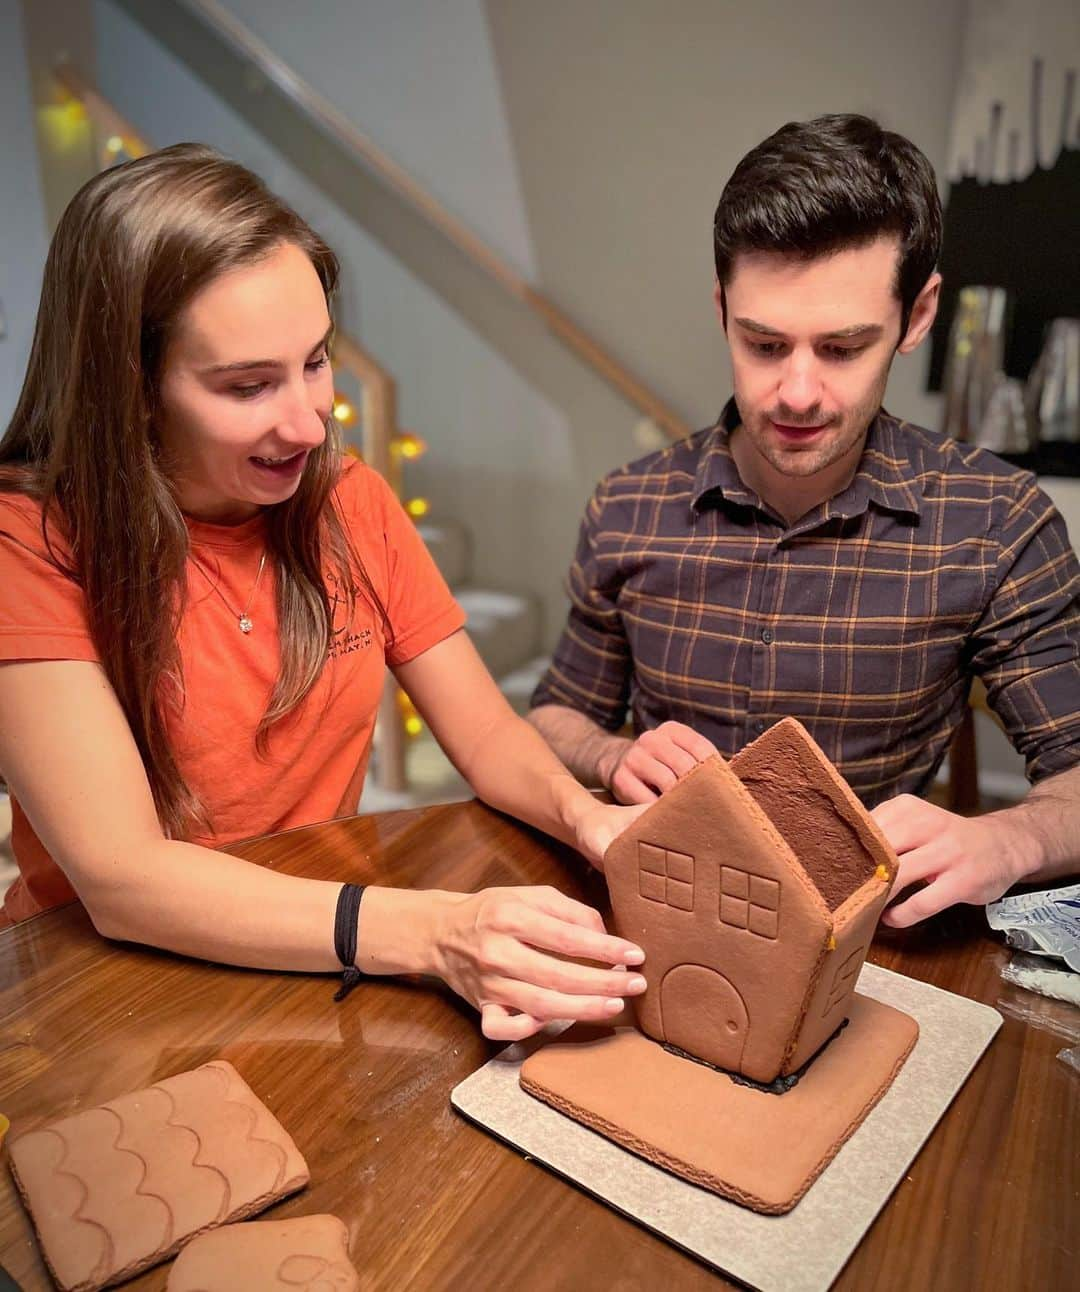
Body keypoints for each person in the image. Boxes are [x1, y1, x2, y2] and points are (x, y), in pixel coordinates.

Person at [0, 143, 651, 1042]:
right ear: (131, 389)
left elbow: (490, 734)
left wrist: (590, 819)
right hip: (107, 992)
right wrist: (434, 930)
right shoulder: (30, 544)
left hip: (312, 957)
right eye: (248, 385)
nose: (311, 422)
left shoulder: (353, 507)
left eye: (316, 362)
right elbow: (122, 880)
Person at [528, 114, 1080, 928]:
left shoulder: (996, 522)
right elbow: (550, 719)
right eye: (763, 343)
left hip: (867, 940)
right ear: (722, 309)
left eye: (843, 348)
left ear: (917, 316)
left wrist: (1008, 841)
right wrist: (612, 755)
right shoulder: (629, 506)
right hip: (663, 908)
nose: (795, 393)